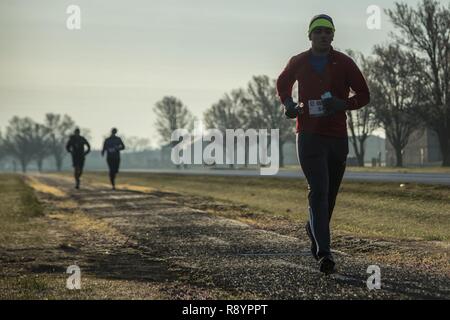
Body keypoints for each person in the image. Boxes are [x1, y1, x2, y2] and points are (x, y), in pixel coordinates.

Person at [276, 14, 370, 274]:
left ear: (333, 36)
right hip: (308, 135)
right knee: (318, 190)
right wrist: (289, 104)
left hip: (337, 137)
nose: (323, 36)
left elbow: (364, 94)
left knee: (329, 196)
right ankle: (324, 254)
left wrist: (344, 104)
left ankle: (313, 227)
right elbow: (282, 83)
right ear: (310, 35)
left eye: (328, 32)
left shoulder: (344, 62)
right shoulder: (299, 61)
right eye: (318, 32)